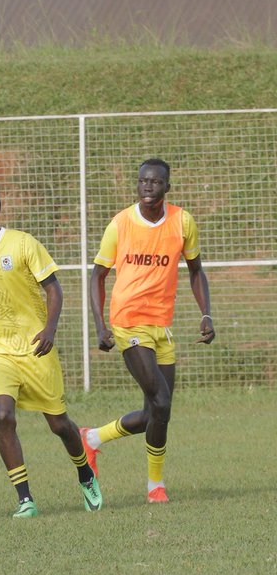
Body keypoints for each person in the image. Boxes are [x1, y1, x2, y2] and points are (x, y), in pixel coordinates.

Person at [0, 188, 102, 518]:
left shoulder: (22, 244)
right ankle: (25, 499)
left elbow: (54, 288)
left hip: (36, 349)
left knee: (59, 424)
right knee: (3, 415)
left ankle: (85, 473)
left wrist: (49, 329)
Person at [84, 158, 213, 504]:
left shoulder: (182, 221)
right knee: (162, 400)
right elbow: (97, 274)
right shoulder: (121, 223)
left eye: (155, 182)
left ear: (167, 187)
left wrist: (206, 314)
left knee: (158, 410)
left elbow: (196, 271)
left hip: (162, 325)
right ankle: (155, 486)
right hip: (128, 321)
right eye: (142, 181)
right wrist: (100, 326)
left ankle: (93, 438)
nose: (147, 187)